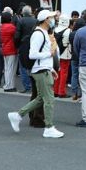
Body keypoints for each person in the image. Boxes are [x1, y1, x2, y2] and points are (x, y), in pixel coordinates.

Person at [7, 10, 64, 138]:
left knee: (40, 98)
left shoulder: (42, 32)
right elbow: (33, 54)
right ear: (46, 19)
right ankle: (49, 127)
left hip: (43, 70)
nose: (54, 19)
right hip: (41, 71)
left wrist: (51, 68)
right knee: (48, 99)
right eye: (51, 17)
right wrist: (49, 55)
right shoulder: (39, 34)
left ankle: (17, 115)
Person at [13, 5, 37, 93]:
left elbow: (17, 35)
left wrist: (16, 45)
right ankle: (34, 85)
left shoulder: (20, 21)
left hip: (23, 46)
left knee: (23, 67)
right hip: (33, 45)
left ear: (22, 13)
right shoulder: (35, 21)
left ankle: (27, 86)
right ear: (31, 12)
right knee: (33, 66)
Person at [0, 11, 18, 92]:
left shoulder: (1, 27)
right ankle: (9, 86)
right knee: (11, 69)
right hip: (11, 49)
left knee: (7, 68)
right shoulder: (11, 27)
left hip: (5, 49)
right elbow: (16, 35)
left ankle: (7, 85)